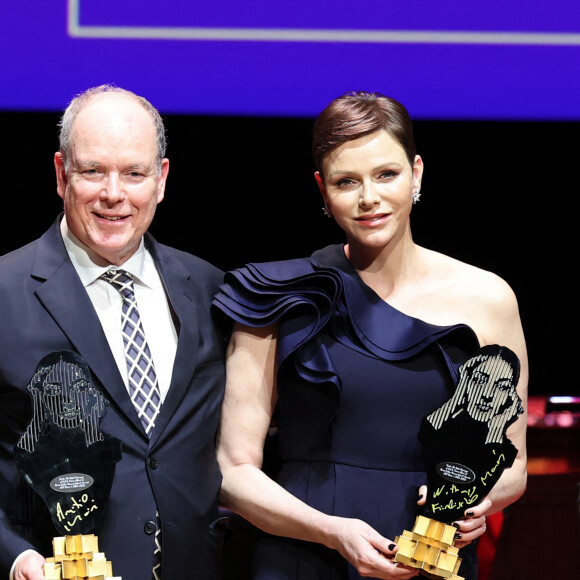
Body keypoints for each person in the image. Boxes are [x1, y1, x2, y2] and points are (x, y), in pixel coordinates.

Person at [212, 91, 528, 580]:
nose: (369, 199)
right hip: (302, 557)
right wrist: (330, 531)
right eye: (346, 181)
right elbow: (232, 473)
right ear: (322, 189)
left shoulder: (487, 298)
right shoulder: (277, 296)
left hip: (432, 556)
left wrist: (477, 502)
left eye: (387, 174)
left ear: (417, 172)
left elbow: (515, 465)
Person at [0, 85, 227, 580]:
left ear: (161, 179)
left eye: (133, 173)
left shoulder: (210, 290)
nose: (113, 193)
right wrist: (14, 556)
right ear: (61, 174)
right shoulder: (3, 292)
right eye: (93, 171)